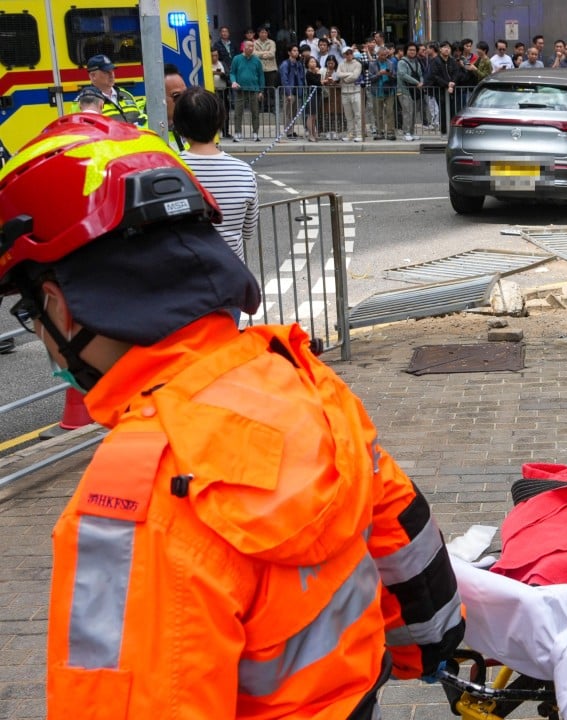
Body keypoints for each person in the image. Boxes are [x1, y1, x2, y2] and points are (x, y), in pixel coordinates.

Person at [0, 113, 464, 719]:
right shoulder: (299, 376)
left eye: (31, 314)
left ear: (60, 309)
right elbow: (400, 524)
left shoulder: (130, 504)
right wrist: (425, 650)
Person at [173, 87, 258, 263]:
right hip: (232, 276)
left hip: (184, 279)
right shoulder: (243, 171)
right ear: (220, 120)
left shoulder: (170, 170)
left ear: (180, 125)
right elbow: (248, 230)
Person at [85, 54, 147, 126]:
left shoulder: (126, 95)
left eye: (112, 70)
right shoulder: (86, 101)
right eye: (106, 72)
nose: (112, 75)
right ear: (93, 76)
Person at [229, 40, 264, 141]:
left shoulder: (257, 60)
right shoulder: (237, 59)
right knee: (238, 112)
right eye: (249, 46)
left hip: (254, 90)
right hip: (240, 90)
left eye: (252, 46)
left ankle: (255, 133)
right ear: (243, 47)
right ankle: (237, 132)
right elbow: (232, 73)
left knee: (255, 112)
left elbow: (261, 75)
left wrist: (261, 90)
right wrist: (233, 82)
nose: (251, 48)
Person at [397, 44, 425, 141]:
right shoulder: (402, 62)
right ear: (406, 51)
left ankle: (412, 132)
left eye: (414, 50)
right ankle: (406, 132)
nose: (412, 52)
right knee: (407, 112)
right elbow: (403, 75)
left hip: (415, 91)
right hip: (404, 91)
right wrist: (417, 82)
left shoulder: (417, 62)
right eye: (410, 50)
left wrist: (421, 82)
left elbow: (421, 74)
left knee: (413, 113)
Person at [337, 46, 364, 142]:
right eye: (346, 53)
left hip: (356, 91)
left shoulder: (357, 64)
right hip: (344, 92)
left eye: (350, 53)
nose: (348, 55)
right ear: (344, 55)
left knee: (358, 115)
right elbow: (338, 74)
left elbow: (356, 76)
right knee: (348, 116)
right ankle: (350, 134)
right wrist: (349, 74)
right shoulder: (341, 64)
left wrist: (345, 78)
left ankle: (359, 134)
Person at [162, 63, 188, 151]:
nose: (184, 100)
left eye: (186, 94)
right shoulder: (146, 134)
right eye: (177, 96)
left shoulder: (195, 126)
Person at [303, 55, 323, 141]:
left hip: (317, 94)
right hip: (311, 95)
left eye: (314, 62)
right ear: (307, 64)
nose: (313, 63)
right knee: (310, 115)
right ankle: (310, 134)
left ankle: (314, 133)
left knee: (314, 115)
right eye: (311, 62)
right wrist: (318, 74)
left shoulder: (314, 72)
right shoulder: (308, 73)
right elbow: (316, 82)